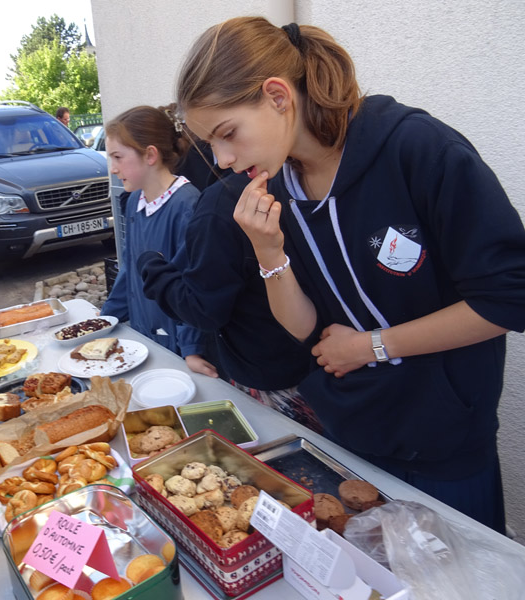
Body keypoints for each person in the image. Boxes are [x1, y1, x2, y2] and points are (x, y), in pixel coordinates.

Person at [175, 16, 525, 532]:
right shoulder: (278, 186)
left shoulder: (416, 150)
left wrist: (372, 345)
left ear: (277, 96)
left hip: (444, 443)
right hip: (343, 437)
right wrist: (268, 251)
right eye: (212, 145)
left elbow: (508, 298)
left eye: (228, 135)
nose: (224, 161)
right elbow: (303, 329)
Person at [139, 170, 320, 431]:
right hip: (323, 364)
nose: (223, 158)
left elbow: (204, 308)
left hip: (271, 375)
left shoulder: (220, 201)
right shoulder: (307, 177)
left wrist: (150, 265)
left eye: (226, 134)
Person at [100, 105, 216, 377]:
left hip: (176, 345)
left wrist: (192, 348)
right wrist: (106, 319)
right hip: (144, 335)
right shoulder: (134, 203)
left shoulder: (186, 206)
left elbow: (195, 282)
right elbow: (128, 267)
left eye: (118, 157)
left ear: (150, 154)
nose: (114, 169)